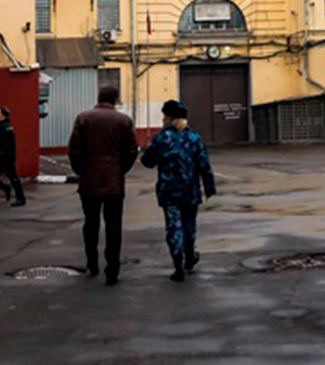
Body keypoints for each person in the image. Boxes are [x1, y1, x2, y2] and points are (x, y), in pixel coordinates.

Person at [67, 85, 137, 285]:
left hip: (89, 179)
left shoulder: (84, 118)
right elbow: (132, 151)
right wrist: (120, 169)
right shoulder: (124, 121)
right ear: (115, 100)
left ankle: (92, 263)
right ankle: (112, 270)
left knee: (91, 222)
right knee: (114, 226)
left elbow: (74, 150)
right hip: (114, 181)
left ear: (99, 98)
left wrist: (81, 171)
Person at [140, 99, 216, 282]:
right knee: (189, 226)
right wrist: (209, 186)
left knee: (173, 226)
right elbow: (204, 164)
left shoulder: (161, 139)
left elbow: (147, 161)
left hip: (169, 191)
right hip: (190, 191)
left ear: (167, 117)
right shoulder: (193, 138)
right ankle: (190, 257)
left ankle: (178, 266)